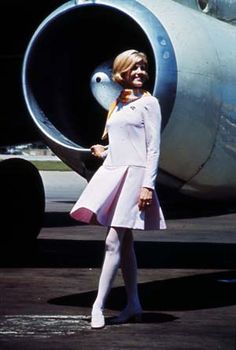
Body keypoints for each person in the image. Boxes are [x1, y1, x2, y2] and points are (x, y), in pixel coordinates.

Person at [70, 49, 166, 329]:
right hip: (115, 172)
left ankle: (98, 305)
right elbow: (127, 140)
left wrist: (148, 185)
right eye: (134, 68)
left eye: (143, 68)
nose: (140, 73)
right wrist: (104, 150)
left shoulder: (150, 103)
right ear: (121, 71)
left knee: (112, 241)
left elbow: (153, 148)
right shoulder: (120, 103)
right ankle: (134, 303)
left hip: (136, 179)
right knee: (124, 244)